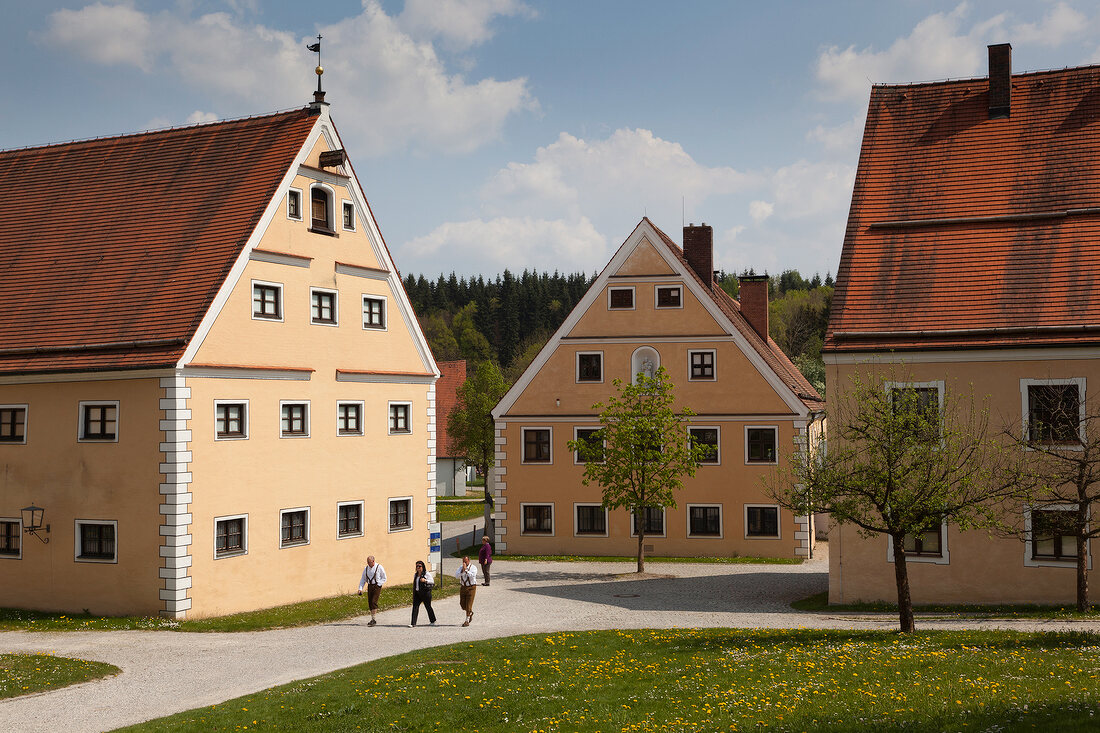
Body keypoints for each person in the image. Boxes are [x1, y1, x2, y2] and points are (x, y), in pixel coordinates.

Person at [356, 555, 387, 626]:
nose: (368, 564)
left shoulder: (379, 567)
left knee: (373, 602)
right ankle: (372, 618)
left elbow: (384, 577)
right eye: (367, 562)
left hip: (377, 586)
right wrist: (360, 589)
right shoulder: (366, 568)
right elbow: (363, 579)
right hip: (370, 586)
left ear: (373, 561)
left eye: (369, 562)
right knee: (370, 602)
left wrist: (379, 584)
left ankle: (374, 619)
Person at [410, 560, 436, 627]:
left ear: (423, 567)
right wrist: (414, 593)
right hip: (418, 594)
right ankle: (413, 623)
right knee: (415, 607)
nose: (418, 567)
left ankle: (432, 620)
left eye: (419, 566)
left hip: (425, 593)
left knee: (428, 607)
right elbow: (414, 585)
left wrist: (425, 580)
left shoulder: (426, 574)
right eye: (417, 566)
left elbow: (432, 581)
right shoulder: (415, 575)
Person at [455, 555, 478, 626]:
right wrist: (462, 571)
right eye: (463, 561)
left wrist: (466, 570)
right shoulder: (460, 568)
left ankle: (467, 621)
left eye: (466, 561)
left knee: (468, 605)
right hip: (463, 587)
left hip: (471, 587)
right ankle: (470, 612)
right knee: (462, 605)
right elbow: (456, 576)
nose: (464, 563)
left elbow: (472, 576)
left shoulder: (473, 568)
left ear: (469, 561)